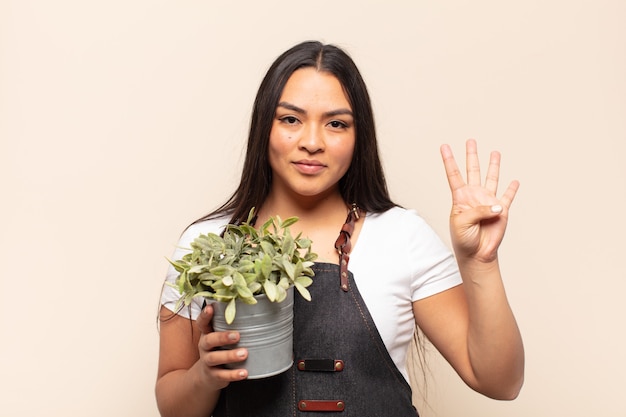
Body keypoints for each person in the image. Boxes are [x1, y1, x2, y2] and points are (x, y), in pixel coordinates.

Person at [155, 40, 524, 417]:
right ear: (263, 126)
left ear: (357, 136)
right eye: (290, 119)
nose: (312, 142)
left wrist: (480, 263)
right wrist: (205, 376)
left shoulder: (403, 237)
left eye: (336, 124)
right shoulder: (206, 247)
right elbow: (172, 403)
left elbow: (499, 382)